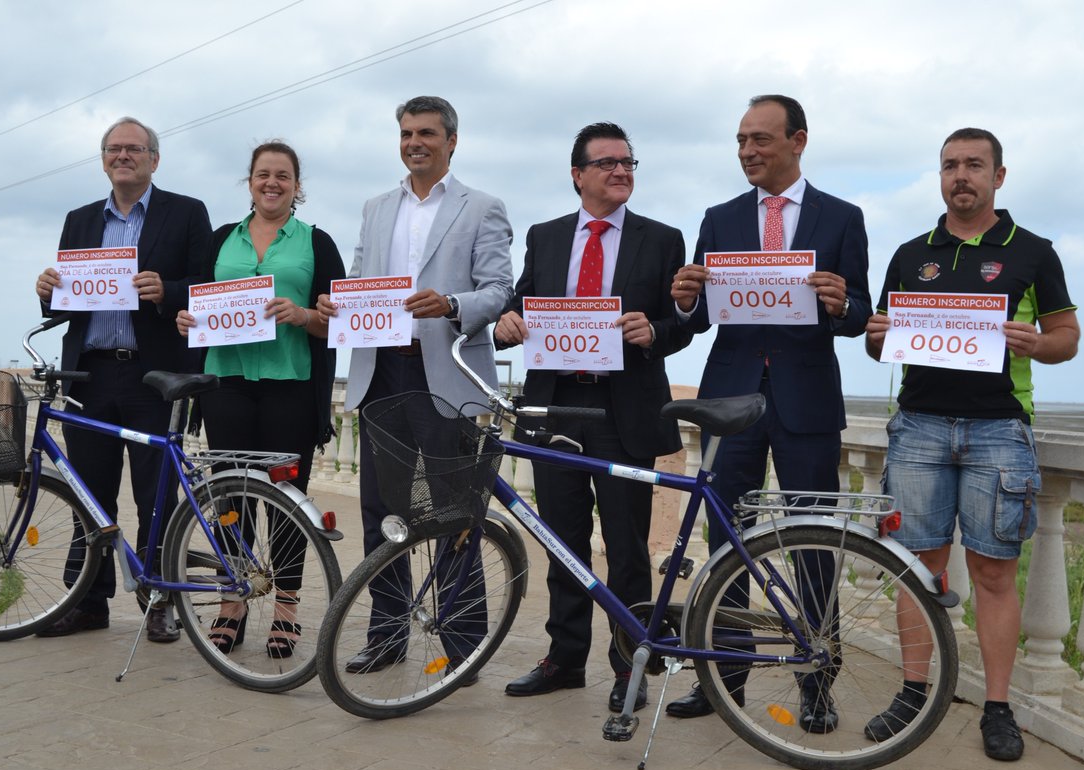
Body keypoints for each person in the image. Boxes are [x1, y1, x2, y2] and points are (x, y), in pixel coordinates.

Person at [863, 128, 1080, 761]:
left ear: (998, 176)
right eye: (950, 165)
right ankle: (912, 693)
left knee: (993, 572)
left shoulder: (1033, 252)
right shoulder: (910, 254)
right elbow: (881, 341)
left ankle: (998, 707)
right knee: (916, 567)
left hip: (999, 429)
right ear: (940, 176)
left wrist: (1038, 343)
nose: (961, 175)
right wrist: (876, 334)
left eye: (974, 165)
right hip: (918, 427)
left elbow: (1067, 337)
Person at [667, 95, 871, 730]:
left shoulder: (843, 217)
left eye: (760, 139)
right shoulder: (719, 218)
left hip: (806, 400)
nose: (747, 151)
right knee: (725, 537)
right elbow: (698, 318)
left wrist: (843, 304)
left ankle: (817, 679)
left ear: (797, 141)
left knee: (815, 541)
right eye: (740, 140)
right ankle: (723, 674)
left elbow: (861, 313)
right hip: (730, 401)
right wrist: (683, 300)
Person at [495, 122, 689, 712]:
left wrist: (656, 330)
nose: (621, 170)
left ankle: (630, 664)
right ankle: (564, 658)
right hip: (555, 405)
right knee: (563, 542)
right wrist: (507, 320)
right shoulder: (546, 235)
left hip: (621, 409)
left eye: (628, 162)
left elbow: (684, 322)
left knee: (627, 549)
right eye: (607, 163)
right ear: (578, 175)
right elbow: (524, 301)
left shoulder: (662, 239)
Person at [315, 95, 514, 673]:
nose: (414, 143)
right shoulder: (376, 207)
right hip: (380, 373)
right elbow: (359, 281)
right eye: (406, 133)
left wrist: (452, 303)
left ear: (452, 141)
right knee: (382, 513)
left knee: (455, 514)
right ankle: (386, 636)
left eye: (426, 133)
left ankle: (463, 645)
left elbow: (499, 290)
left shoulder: (483, 207)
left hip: (445, 375)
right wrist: (336, 304)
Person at [34, 116, 211, 641]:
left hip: (153, 375)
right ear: (103, 159)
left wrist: (169, 291)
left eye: (134, 148)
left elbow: (208, 285)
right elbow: (66, 302)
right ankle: (87, 601)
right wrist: (47, 290)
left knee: (156, 495)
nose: (123, 156)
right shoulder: (80, 219)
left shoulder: (186, 212)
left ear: (154, 159)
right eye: (114, 149)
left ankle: (160, 600)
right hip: (88, 374)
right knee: (88, 494)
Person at [176, 140, 344, 657]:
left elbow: (338, 321)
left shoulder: (317, 242)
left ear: (297, 186)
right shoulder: (220, 239)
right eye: (262, 174)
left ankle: (287, 610)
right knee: (232, 498)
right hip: (226, 383)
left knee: (287, 501)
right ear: (249, 182)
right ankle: (233, 602)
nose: (272, 183)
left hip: (290, 385)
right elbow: (195, 301)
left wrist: (304, 315)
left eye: (282, 176)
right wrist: (187, 320)